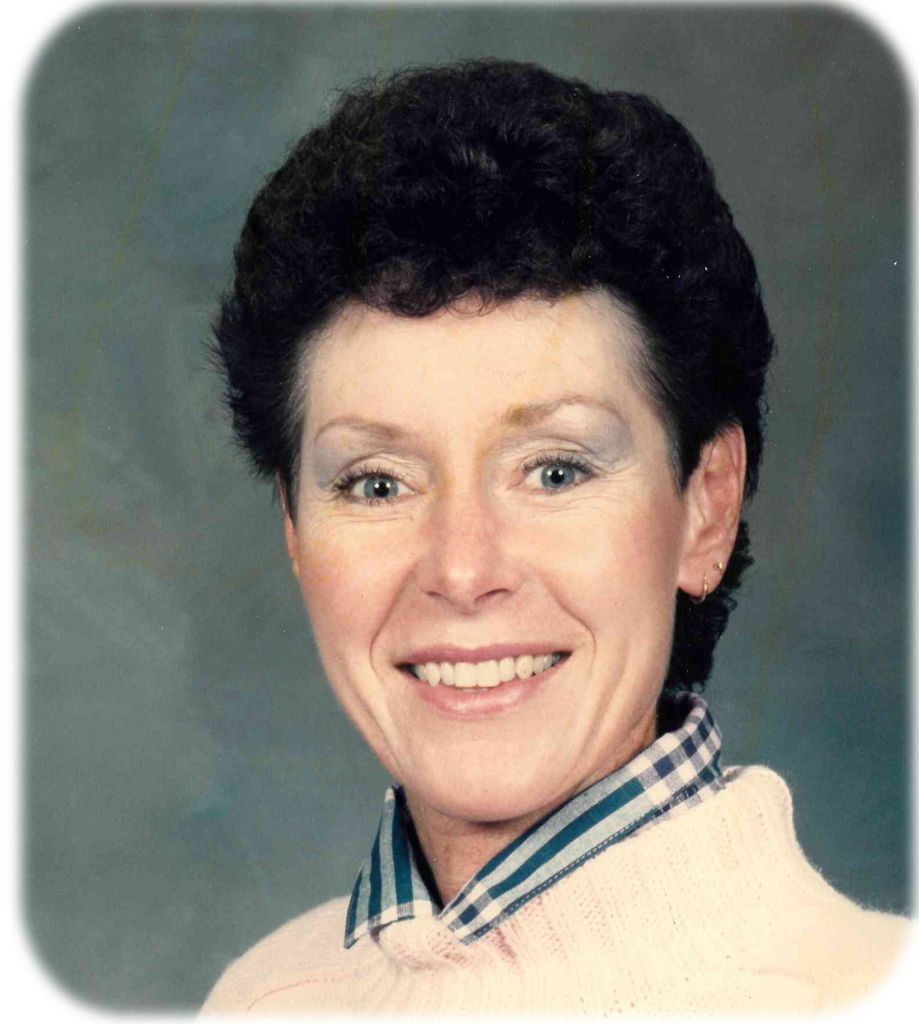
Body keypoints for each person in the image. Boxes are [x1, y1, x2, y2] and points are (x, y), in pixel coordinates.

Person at [200, 59, 906, 1015]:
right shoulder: (262, 999)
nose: (462, 569)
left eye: (555, 471)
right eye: (376, 482)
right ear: (294, 526)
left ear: (705, 506)